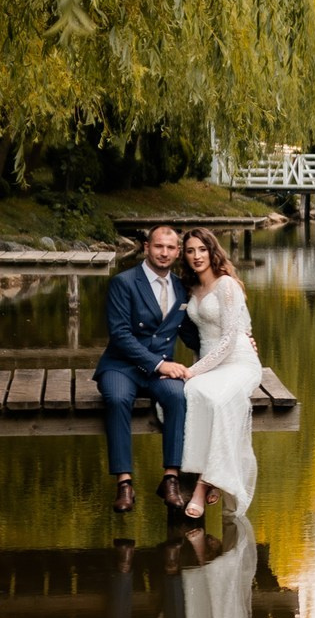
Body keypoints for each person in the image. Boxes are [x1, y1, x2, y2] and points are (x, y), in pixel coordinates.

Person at [93, 223, 196, 513]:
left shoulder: (180, 287)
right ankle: (124, 482)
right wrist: (161, 365)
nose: (164, 253)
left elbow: (189, 333)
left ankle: (170, 478)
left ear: (177, 253)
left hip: (158, 370)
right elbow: (120, 335)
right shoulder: (124, 283)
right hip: (121, 365)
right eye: (158, 246)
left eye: (171, 248)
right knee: (116, 399)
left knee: (178, 396)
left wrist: (235, 340)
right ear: (146, 247)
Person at [175, 228, 261, 521]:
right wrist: (194, 372)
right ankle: (215, 475)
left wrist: (192, 371)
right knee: (192, 394)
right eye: (190, 251)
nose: (196, 256)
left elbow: (228, 340)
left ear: (212, 251)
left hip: (237, 360)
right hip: (210, 362)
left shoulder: (227, 286)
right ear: (184, 256)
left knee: (221, 400)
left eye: (201, 249)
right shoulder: (191, 289)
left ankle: (203, 485)